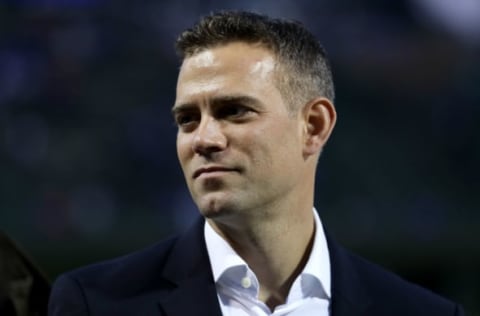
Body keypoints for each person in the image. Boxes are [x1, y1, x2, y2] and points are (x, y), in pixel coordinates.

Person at [48, 11, 464, 316]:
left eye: (234, 111)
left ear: (314, 126)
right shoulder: (94, 303)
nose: (204, 139)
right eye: (187, 119)